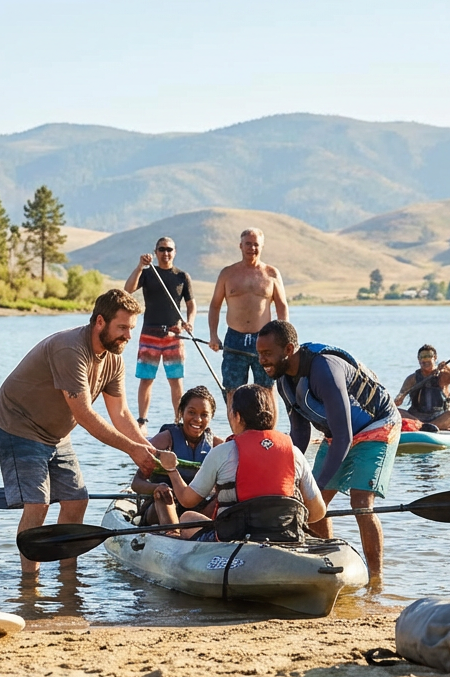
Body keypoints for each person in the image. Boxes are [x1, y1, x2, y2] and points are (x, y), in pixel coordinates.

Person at [0, 289, 158, 575]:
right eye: (122, 327)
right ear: (100, 322)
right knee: (38, 503)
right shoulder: (70, 349)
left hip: (56, 434)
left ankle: (67, 577)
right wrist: (131, 449)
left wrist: (146, 448)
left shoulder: (113, 359)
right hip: (19, 424)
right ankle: (29, 582)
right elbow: (84, 415)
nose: (128, 336)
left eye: (131, 328)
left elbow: (120, 414)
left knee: (76, 499)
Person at [257, 320, 396, 577]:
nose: (262, 361)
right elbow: (299, 434)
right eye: (259, 354)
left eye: (267, 354)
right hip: (336, 434)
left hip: (378, 426)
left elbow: (345, 437)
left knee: (361, 502)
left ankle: (376, 580)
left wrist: (316, 489)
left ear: (288, 348)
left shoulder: (324, 370)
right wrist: (287, 478)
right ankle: (328, 564)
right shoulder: (283, 381)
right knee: (313, 505)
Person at [154, 384, 326, 540]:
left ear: (237, 416)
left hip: (235, 538)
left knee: (187, 517)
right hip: (285, 535)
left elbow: (186, 500)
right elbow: (318, 511)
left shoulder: (222, 452)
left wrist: (171, 469)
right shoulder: (294, 453)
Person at [123, 237, 195, 428]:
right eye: (161, 250)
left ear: (175, 251)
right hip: (150, 334)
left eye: (169, 249)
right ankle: (142, 421)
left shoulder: (182, 276)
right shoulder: (148, 273)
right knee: (146, 379)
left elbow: (191, 304)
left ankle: (178, 421)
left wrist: (189, 322)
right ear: (155, 252)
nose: (165, 253)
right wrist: (140, 266)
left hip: (174, 334)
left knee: (175, 380)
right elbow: (128, 289)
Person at [208, 228, 289, 392]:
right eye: (248, 244)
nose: (252, 248)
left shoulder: (271, 273)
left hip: (265, 339)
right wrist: (213, 336)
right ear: (240, 246)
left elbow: (282, 306)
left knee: (267, 388)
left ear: (262, 247)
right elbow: (215, 306)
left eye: (256, 244)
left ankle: (268, 419)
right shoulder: (227, 273)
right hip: (234, 338)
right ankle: (236, 418)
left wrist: (284, 338)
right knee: (232, 390)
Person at [130, 385, 223, 524]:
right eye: (191, 412)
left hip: (199, 511)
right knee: (163, 495)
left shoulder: (218, 446)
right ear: (181, 413)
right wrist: (157, 487)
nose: (197, 419)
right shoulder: (164, 439)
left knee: (222, 496)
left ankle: (204, 533)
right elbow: (136, 483)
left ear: (211, 417)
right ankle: (172, 534)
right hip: (163, 506)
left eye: (204, 415)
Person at [394, 344, 450, 431]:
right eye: (422, 357)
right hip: (415, 417)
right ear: (418, 360)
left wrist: (448, 367)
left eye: (428, 356)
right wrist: (399, 398)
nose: (425, 360)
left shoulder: (443, 376)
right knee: (396, 411)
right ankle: (422, 426)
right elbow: (399, 399)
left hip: (437, 417)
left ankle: (429, 427)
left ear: (435, 358)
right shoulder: (411, 379)